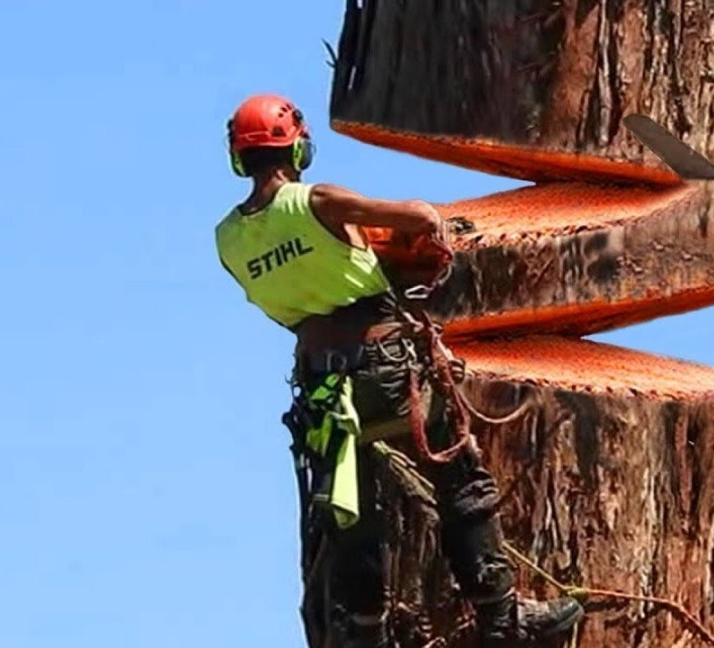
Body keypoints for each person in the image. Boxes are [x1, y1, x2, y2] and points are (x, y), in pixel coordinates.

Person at [214, 94, 584, 646]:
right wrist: (416, 227)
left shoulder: (229, 238)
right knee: (462, 479)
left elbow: (294, 293)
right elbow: (416, 216)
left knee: (352, 515)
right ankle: (502, 620)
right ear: (297, 145)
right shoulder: (318, 200)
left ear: (240, 159)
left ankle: (365, 635)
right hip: (383, 368)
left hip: (321, 387)